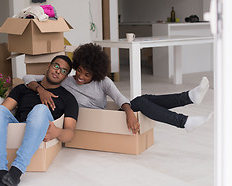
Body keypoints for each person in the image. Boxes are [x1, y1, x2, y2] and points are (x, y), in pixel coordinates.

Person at [23, 43, 212, 135]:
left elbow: (119, 97)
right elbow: (28, 77)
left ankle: (188, 102)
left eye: (87, 75)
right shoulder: (65, 80)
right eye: (79, 71)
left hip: (109, 116)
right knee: (141, 101)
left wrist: (129, 112)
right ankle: (187, 107)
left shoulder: (103, 81)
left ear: (95, 74)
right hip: (96, 120)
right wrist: (40, 90)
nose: (80, 76)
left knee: (139, 101)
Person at [0, 55, 78, 186]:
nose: (58, 71)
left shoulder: (68, 99)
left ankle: (16, 171)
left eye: (64, 71)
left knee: (40, 109)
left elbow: (70, 133)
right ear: (49, 66)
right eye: (56, 66)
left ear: (65, 77)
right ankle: (0, 172)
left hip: (41, 128)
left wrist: (58, 132)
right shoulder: (23, 89)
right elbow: (2, 112)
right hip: (18, 125)